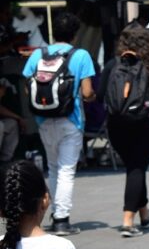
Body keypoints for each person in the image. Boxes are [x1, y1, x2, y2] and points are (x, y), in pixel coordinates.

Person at [21, 12, 96, 236]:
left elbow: (27, 87)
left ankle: (55, 214)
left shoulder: (38, 54)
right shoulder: (80, 55)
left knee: (53, 167)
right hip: (71, 120)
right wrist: (91, 98)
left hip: (44, 119)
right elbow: (87, 92)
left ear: (54, 32)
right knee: (66, 170)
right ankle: (62, 219)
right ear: (75, 34)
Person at [98, 25, 149, 238]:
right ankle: (128, 221)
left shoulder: (112, 65)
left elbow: (101, 94)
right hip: (146, 125)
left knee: (135, 167)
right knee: (137, 167)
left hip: (117, 125)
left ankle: (144, 213)